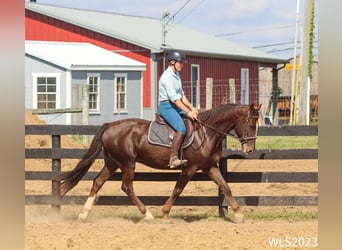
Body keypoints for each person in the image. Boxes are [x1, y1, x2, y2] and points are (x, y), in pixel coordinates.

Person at [158, 49, 198, 168]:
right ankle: (173, 158)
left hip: (176, 105)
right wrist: (187, 111)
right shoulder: (167, 77)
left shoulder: (176, 74)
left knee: (194, 120)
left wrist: (192, 108)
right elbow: (174, 99)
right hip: (167, 106)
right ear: (172, 62)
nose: (182, 65)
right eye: (180, 62)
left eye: (182, 62)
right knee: (181, 127)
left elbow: (181, 95)